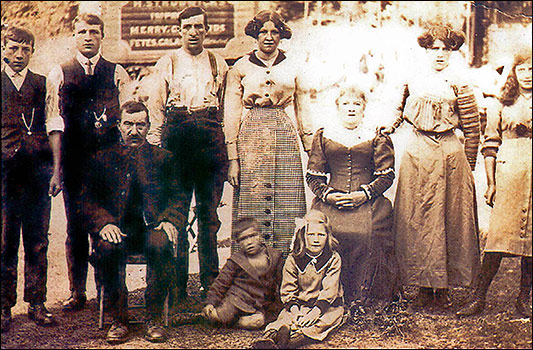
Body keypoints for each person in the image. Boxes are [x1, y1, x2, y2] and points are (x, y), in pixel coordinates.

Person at [381, 24, 481, 308]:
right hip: (418, 151)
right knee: (417, 218)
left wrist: (469, 168)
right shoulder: (413, 78)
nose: (439, 55)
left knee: (450, 219)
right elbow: (398, 111)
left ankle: (444, 288)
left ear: (452, 52)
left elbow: (472, 129)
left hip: (450, 154)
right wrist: (389, 125)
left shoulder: (459, 81)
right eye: (434, 49)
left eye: (445, 49)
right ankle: (422, 286)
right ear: (425, 50)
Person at [46, 13, 131, 311]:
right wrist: (57, 169)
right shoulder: (60, 72)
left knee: (107, 223)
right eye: (82, 32)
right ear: (74, 36)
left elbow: (127, 121)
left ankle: (107, 290)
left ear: (102, 36)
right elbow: (54, 123)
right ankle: (77, 291)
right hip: (75, 163)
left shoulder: (117, 72)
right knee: (75, 228)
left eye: (94, 32)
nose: (88, 37)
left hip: (110, 166)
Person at [145, 6, 229, 301]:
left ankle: (210, 284)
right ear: (179, 30)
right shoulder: (166, 63)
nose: (193, 32)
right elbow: (155, 110)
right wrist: (156, 149)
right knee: (176, 213)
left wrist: (226, 152)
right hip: (177, 144)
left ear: (207, 30)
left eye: (199, 27)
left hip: (209, 144)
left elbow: (225, 110)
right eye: (187, 27)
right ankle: (177, 285)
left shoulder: (219, 63)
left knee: (209, 216)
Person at [83, 100, 184, 344]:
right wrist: (104, 224)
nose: (134, 131)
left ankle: (154, 317)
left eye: (140, 125)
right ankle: (119, 318)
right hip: (118, 229)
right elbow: (87, 200)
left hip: (152, 228)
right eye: (128, 124)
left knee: (161, 244)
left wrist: (170, 220)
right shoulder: (103, 158)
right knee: (107, 247)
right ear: (119, 126)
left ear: (149, 127)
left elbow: (178, 196)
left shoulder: (164, 158)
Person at [224, 10, 314, 258]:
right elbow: (230, 115)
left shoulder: (294, 66)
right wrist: (233, 159)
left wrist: (311, 150)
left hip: (283, 134)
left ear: (281, 35)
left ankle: (287, 269)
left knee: (287, 202)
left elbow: (303, 109)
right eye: (263, 31)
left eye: (274, 32)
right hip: (251, 136)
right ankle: (251, 271)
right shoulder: (240, 67)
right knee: (253, 200)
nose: (269, 37)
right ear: (255, 34)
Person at [306, 85, 398, 312]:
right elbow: (313, 175)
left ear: (364, 109)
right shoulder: (324, 135)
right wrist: (329, 195)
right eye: (346, 103)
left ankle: (364, 295)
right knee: (323, 232)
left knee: (366, 233)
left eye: (356, 104)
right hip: (332, 201)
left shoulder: (376, 136)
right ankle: (326, 294)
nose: (351, 108)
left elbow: (387, 176)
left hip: (367, 201)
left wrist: (363, 194)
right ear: (337, 107)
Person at [457, 49, 532, 317]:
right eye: (522, 69)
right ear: (514, 72)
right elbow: (490, 145)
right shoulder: (500, 104)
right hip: (509, 172)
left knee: (532, 241)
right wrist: (491, 182)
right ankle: (479, 296)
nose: (527, 75)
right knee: (498, 237)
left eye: (532, 69)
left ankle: (524, 299)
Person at [1, 26, 61, 331]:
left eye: (25, 49)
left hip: (37, 174)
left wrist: (56, 170)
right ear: (3, 49)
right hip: (4, 176)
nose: (18, 55)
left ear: (32, 52)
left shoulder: (42, 83)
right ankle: (3, 307)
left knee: (37, 242)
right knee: (4, 242)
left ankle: (37, 303)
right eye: (13, 48)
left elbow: (54, 124)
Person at [252, 210, 344, 349]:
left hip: (325, 306)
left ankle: (291, 342)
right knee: (285, 318)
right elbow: (288, 289)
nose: (316, 239)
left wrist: (315, 312)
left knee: (322, 322)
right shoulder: (293, 259)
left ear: (328, 237)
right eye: (311, 234)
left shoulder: (333, 258)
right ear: (303, 236)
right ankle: (270, 338)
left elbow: (330, 290)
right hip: (299, 305)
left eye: (321, 235)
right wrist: (295, 311)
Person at [171, 217, 283, 329]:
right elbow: (221, 283)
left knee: (258, 321)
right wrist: (211, 302)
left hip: (260, 303)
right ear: (238, 242)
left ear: (260, 235)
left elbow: (283, 282)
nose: (249, 242)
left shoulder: (274, 257)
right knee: (221, 315)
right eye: (243, 239)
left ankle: (236, 323)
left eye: (252, 236)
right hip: (237, 299)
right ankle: (202, 317)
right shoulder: (236, 260)